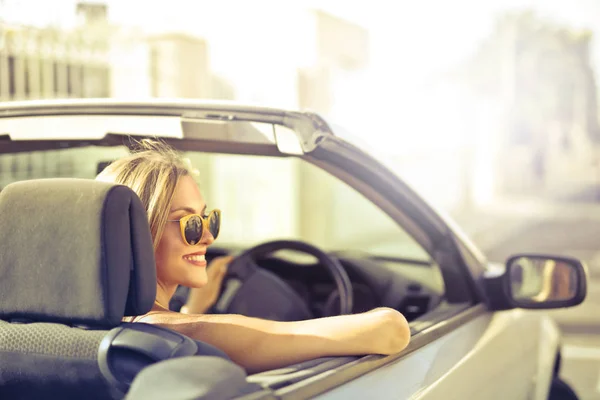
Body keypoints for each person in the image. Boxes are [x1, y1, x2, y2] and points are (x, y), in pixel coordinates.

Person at [96, 139, 411, 374]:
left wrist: (195, 307)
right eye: (190, 223)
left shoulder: (69, 329)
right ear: (139, 233)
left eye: (209, 219)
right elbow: (390, 329)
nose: (208, 236)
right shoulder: (193, 336)